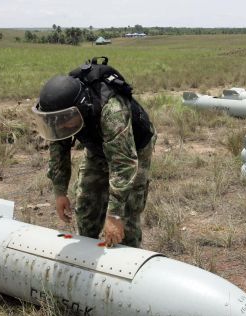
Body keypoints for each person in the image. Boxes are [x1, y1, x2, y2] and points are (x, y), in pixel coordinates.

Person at [32, 68, 156, 248]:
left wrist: (114, 215)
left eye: (63, 122)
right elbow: (58, 149)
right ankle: (88, 258)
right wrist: (60, 191)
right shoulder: (63, 115)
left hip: (132, 150)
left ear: (79, 110)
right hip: (98, 148)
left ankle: (128, 258)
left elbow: (123, 165)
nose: (61, 126)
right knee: (86, 206)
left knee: (126, 214)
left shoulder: (112, 111)